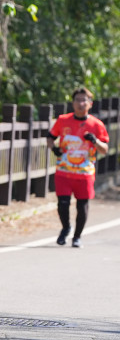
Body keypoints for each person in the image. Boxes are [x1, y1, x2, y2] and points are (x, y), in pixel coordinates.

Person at [47, 87, 109, 248]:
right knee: (62, 203)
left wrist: (95, 141)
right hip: (64, 171)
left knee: (82, 205)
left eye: (84, 100)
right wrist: (54, 149)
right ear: (73, 103)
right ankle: (66, 228)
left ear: (90, 103)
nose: (81, 103)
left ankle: (77, 237)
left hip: (84, 172)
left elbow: (105, 149)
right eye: (77, 100)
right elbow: (50, 137)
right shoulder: (63, 120)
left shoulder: (96, 125)